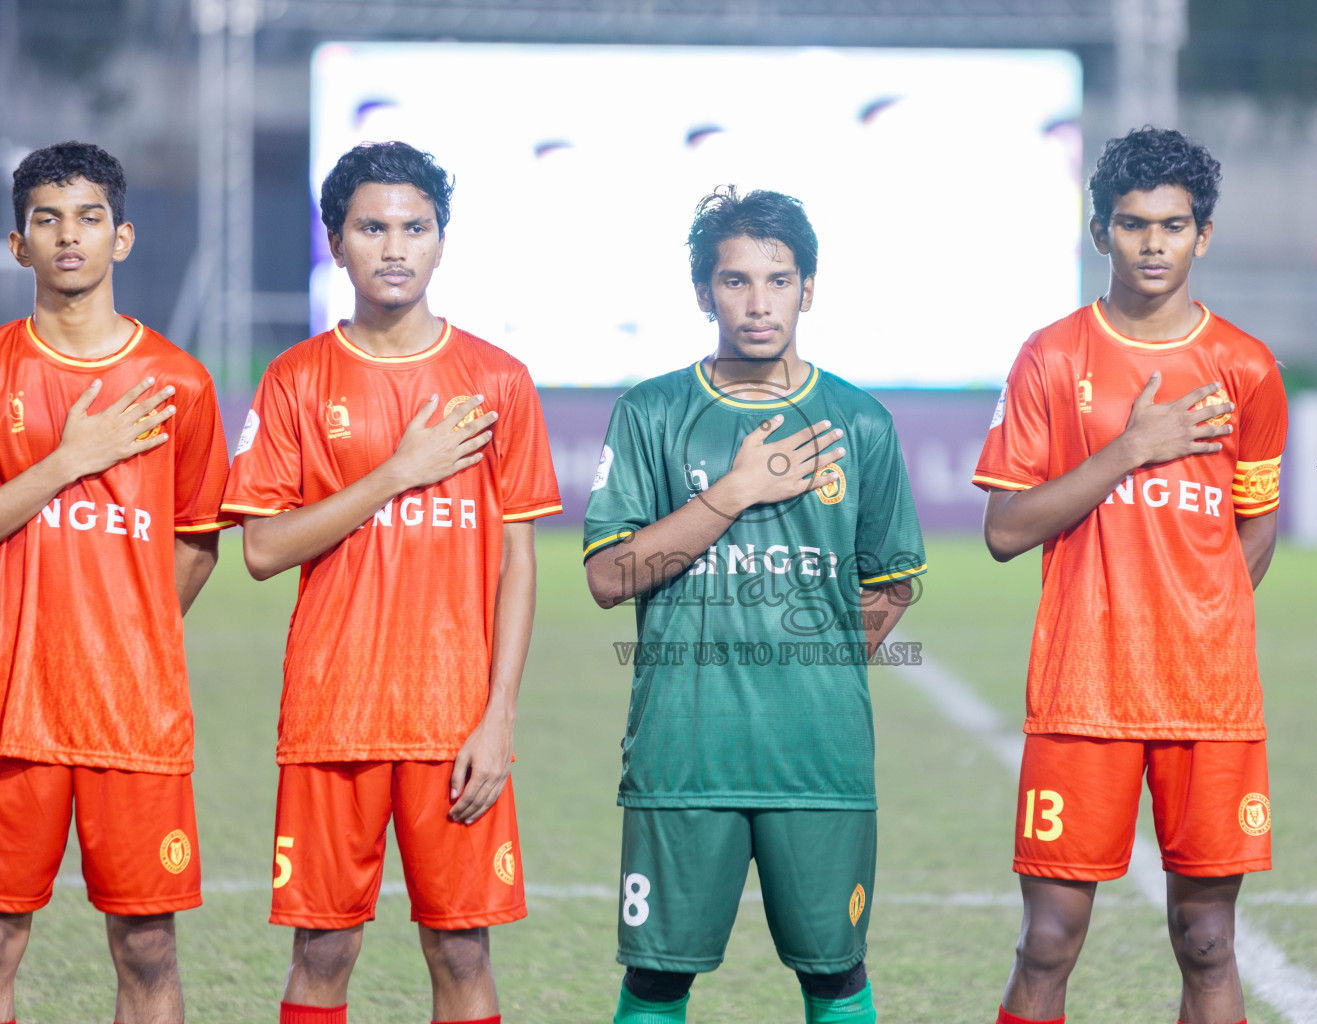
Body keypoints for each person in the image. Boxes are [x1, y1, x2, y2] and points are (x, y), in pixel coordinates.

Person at [220, 141, 561, 1024]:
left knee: (460, 948)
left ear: (443, 242)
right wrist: (396, 472)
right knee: (323, 948)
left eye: (416, 227)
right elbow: (261, 549)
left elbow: (517, 559)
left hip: (454, 723)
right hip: (334, 714)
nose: (395, 246)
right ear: (336, 242)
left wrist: (499, 717)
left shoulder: (496, 379)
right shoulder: (297, 379)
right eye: (372, 227)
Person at [583, 186, 926, 1024]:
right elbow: (609, 576)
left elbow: (891, 577)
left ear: (809, 287)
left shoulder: (861, 422)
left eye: (779, 280)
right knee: (658, 978)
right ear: (703, 292)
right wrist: (734, 492)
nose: (759, 302)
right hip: (682, 752)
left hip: (819, 761)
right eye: (735, 281)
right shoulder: (653, 412)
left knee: (835, 975)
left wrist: (820, 665)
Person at [973, 127, 1288, 1024]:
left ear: (1204, 235)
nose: (1154, 244)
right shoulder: (1054, 355)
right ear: (1098, 231)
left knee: (1208, 943)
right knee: (1047, 944)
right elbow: (1004, 530)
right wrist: (1131, 449)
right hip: (1084, 694)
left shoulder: (1247, 367)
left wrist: (1200, 620)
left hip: (1210, 701)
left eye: (1174, 225)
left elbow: (1253, 530)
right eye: (1133, 224)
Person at [0, 141, 230, 1024]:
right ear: (19, 246)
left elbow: (198, 542)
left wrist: (129, 639)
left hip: (131, 713)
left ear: (121, 238)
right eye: (47, 220)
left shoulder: (180, 384)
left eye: (89, 218)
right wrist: (68, 461)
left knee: (146, 946)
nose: (69, 237)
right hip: (12, 711)